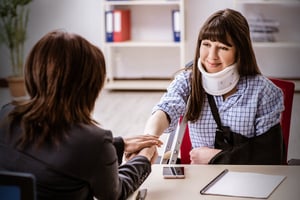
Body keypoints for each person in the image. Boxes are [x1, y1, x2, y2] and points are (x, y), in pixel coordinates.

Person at [0, 30, 162, 200]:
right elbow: (115, 194)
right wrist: (144, 158)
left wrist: (119, 145)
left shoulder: (6, 115)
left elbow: (56, 152)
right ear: (89, 87)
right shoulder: (93, 142)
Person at [144, 8, 285, 165]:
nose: (211, 56)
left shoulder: (265, 92)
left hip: (248, 180)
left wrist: (216, 157)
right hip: (200, 179)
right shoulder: (189, 80)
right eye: (206, 44)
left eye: (223, 47)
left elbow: (270, 155)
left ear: (240, 51)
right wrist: (148, 142)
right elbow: (164, 110)